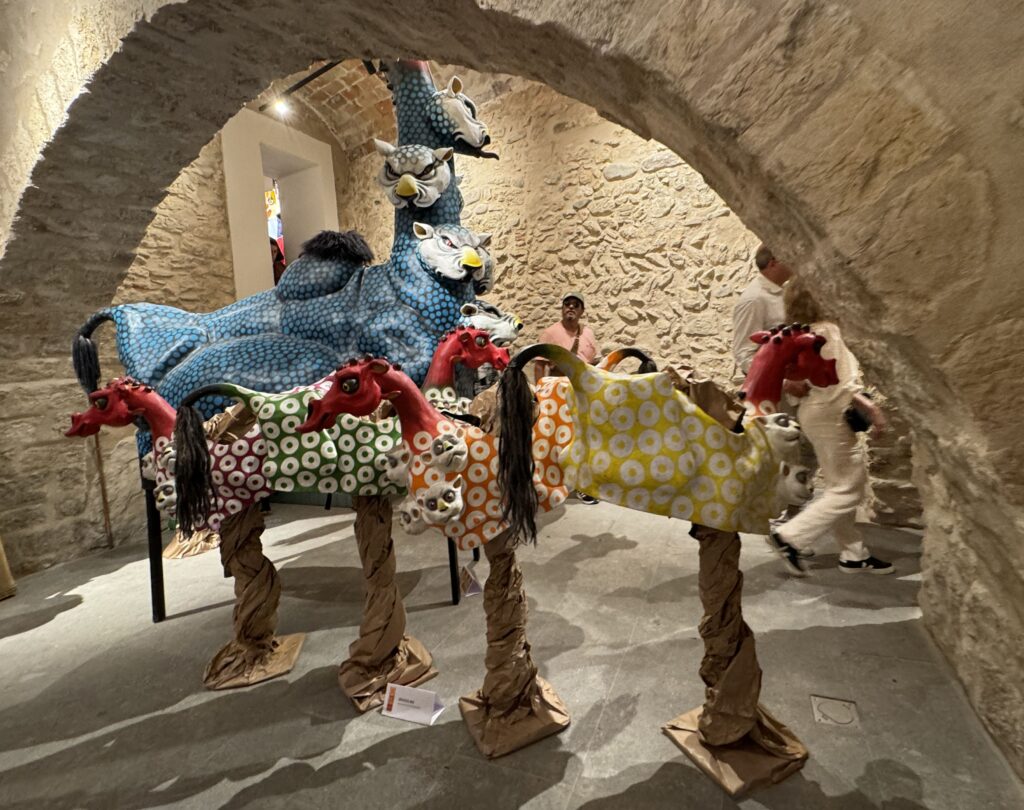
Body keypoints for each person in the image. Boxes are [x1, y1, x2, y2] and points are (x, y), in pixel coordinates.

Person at [766, 276, 893, 576]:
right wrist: (872, 409)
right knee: (850, 486)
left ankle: (854, 554)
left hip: (812, 413)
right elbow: (843, 382)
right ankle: (789, 537)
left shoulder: (797, 335)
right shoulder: (827, 331)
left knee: (839, 484)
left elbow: (793, 383)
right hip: (831, 414)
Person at [537, 291, 600, 504]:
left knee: (583, 439)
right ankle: (552, 483)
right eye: (567, 304)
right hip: (558, 395)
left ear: (582, 311)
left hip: (583, 393)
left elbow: (594, 362)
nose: (570, 307)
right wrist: (539, 393)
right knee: (557, 439)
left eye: (575, 305)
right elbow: (540, 365)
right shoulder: (550, 333)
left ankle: (583, 485)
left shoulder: (588, 333)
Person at [732, 245, 807, 400]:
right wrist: (784, 382)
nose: (795, 260)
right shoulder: (754, 300)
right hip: (777, 394)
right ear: (773, 263)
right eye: (789, 256)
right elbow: (744, 354)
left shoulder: (782, 292)